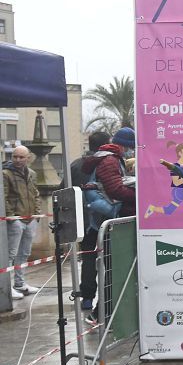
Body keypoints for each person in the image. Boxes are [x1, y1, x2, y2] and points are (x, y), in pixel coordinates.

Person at [80, 128, 136, 317]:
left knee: (108, 266)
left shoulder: (106, 158)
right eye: (130, 147)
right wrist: (140, 195)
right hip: (106, 219)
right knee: (113, 268)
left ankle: (104, 311)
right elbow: (115, 190)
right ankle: (103, 313)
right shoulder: (110, 160)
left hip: (100, 219)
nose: (132, 151)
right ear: (124, 145)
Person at [71, 131, 111, 310]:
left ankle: (87, 297)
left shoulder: (76, 165)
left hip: (84, 221)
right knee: (110, 261)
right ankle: (108, 300)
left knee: (88, 259)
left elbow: (64, 190)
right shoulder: (110, 164)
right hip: (108, 219)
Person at [3, 146, 41, 300]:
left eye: (21, 157)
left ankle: (20, 283)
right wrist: (12, 217)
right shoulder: (6, 174)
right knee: (10, 254)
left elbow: (36, 194)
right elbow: (3, 197)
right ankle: (8, 286)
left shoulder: (31, 174)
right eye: (15, 156)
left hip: (30, 218)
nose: (17, 160)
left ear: (28, 158)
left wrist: (36, 213)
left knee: (24, 253)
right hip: (16, 220)